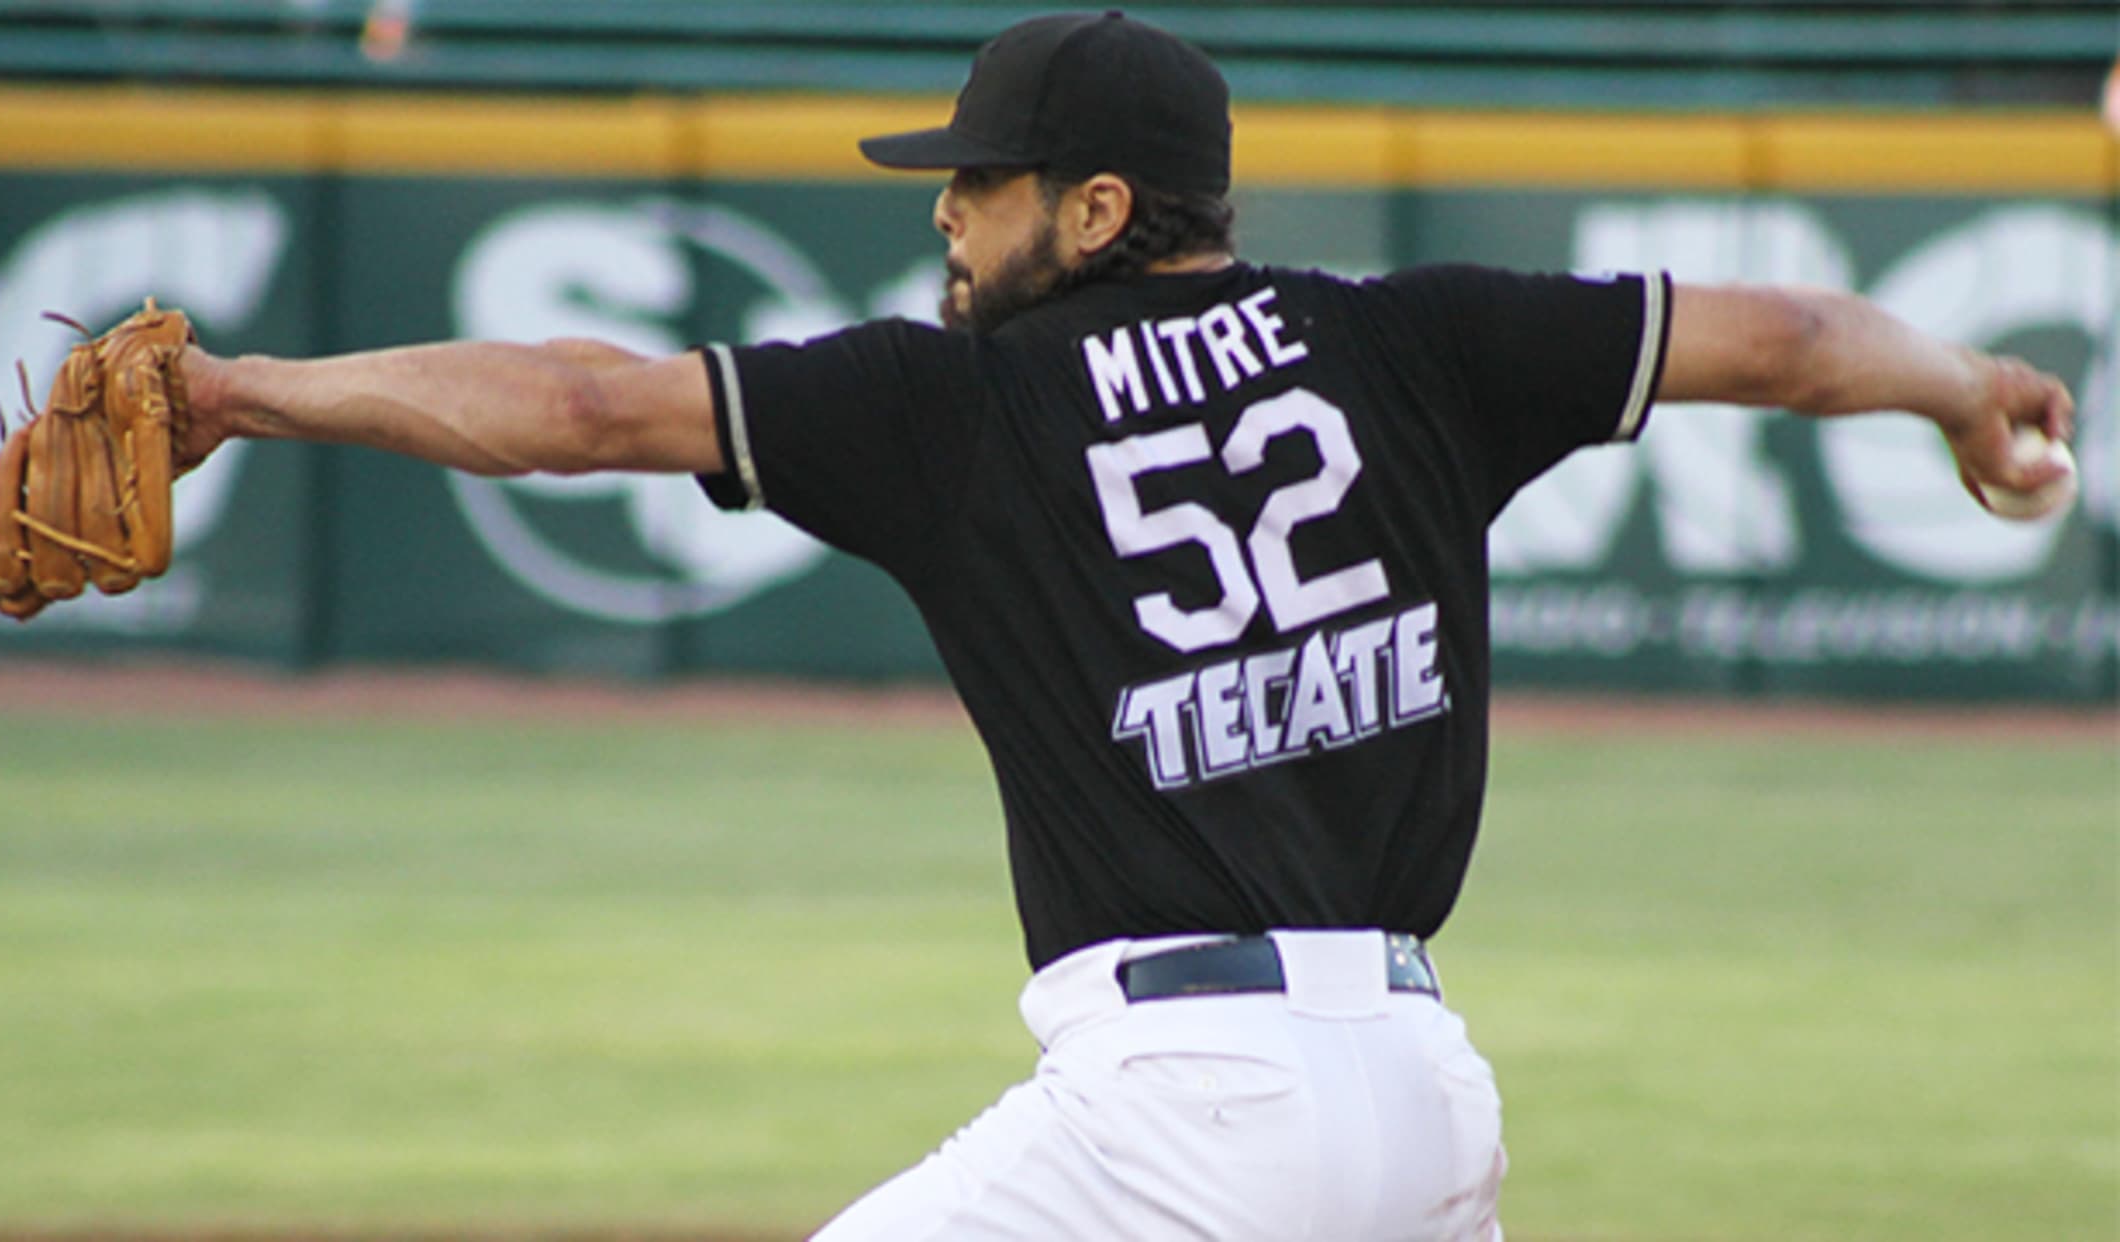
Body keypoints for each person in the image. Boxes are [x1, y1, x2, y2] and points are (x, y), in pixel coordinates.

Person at [166, 12, 2074, 1240]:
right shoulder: (1419, 343)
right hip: (1427, 1108)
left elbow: (580, 406)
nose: (946, 219)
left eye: (976, 186)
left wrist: (244, 391)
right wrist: (1969, 388)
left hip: (1178, 1112)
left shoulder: (954, 409)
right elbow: (1793, 335)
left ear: (1091, 208)